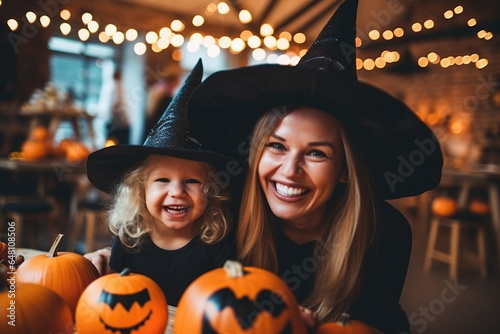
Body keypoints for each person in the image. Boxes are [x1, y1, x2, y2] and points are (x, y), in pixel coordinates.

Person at [185, 0, 443, 332]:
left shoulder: (384, 233)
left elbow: (374, 323)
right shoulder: (228, 210)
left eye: (316, 153)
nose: (290, 170)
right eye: (276, 146)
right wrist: (119, 257)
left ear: (346, 170)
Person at [85, 60, 235, 307]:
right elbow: (111, 298)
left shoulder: (215, 248)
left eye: (192, 181)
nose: (177, 192)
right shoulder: (127, 241)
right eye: (163, 180)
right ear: (140, 190)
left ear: (212, 190)